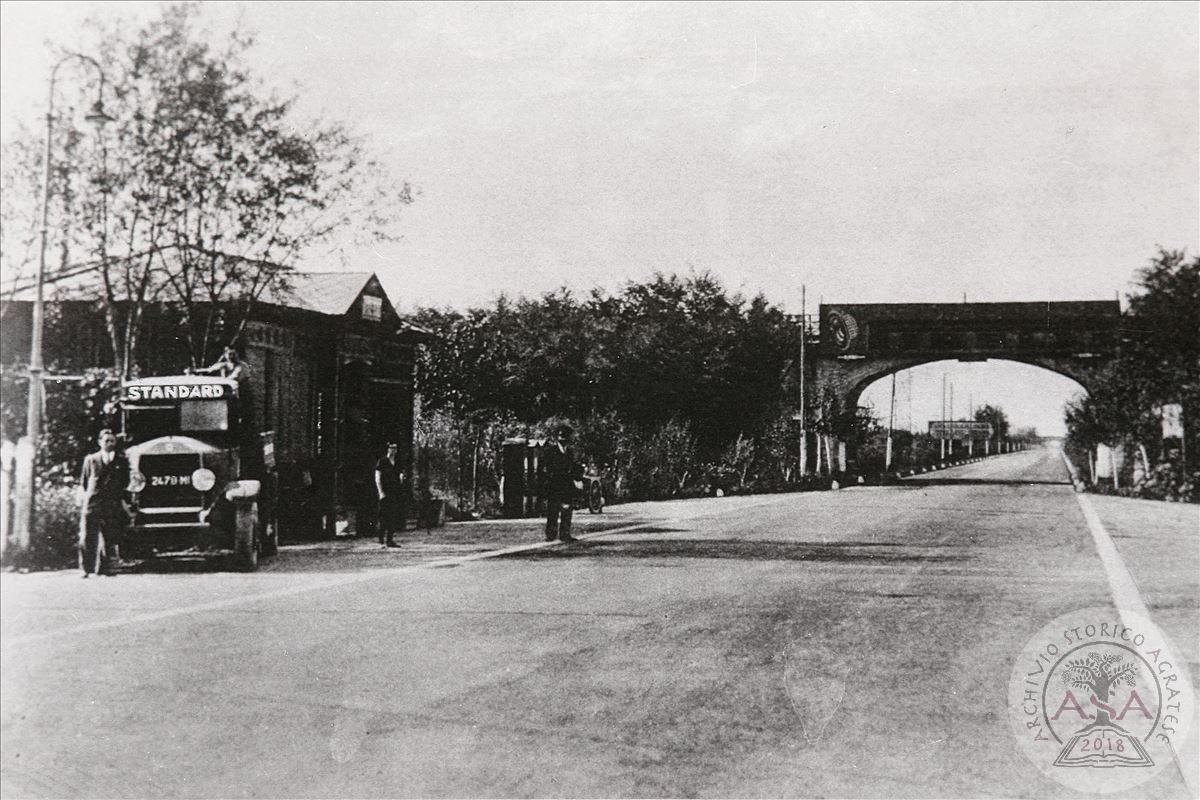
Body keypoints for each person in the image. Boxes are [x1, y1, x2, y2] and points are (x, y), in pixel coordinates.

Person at [78, 429, 131, 577]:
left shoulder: (121, 461)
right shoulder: (91, 459)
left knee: (110, 536)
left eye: (112, 441)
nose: (109, 444)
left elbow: (125, 482)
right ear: (100, 442)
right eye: (106, 440)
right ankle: (86, 569)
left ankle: (106, 568)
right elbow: (85, 481)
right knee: (88, 536)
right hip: (93, 503)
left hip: (112, 503)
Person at [541, 423, 584, 543]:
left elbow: (574, 466)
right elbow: (547, 469)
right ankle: (551, 534)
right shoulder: (550, 452)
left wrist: (578, 476)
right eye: (562, 437)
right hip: (554, 485)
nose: (564, 440)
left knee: (567, 510)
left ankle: (565, 534)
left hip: (567, 485)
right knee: (553, 511)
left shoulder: (570, 452)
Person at [374, 441, 407, 548]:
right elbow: (377, 477)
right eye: (391, 448)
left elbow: (401, 474)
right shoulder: (382, 462)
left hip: (395, 492)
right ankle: (380, 538)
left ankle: (390, 539)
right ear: (388, 449)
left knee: (392, 516)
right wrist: (381, 492)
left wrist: (401, 477)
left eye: (395, 448)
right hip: (385, 492)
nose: (393, 450)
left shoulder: (397, 462)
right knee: (383, 516)